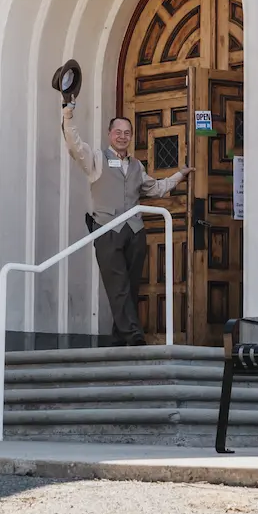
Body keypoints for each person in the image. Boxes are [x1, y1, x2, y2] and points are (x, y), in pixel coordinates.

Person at [60, 102, 190, 346]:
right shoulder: (96, 159)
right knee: (117, 284)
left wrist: (179, 175)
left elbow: (157, 188)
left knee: (130, 286)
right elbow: (74, 146)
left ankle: (119, 339)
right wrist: (68, 116)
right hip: (107, 229)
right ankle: (134, 335)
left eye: (127, 133)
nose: (122, 137)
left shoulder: (136, 166)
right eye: (118, 132)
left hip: (135, 232)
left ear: (131, 137)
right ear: (110, 135)